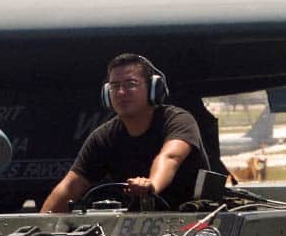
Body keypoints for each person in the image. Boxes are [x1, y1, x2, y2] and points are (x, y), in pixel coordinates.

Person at [40, 53, 210, 212]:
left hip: (194, 223)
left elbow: (170, 157)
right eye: (115, 86)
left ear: (153, 88)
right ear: (107, 93)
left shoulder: (177, 120)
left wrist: (151, 186)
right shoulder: (104, 137)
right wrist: (37, 229)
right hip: (137, 225)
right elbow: (71, 186)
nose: (121, 93)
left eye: (131, 84)